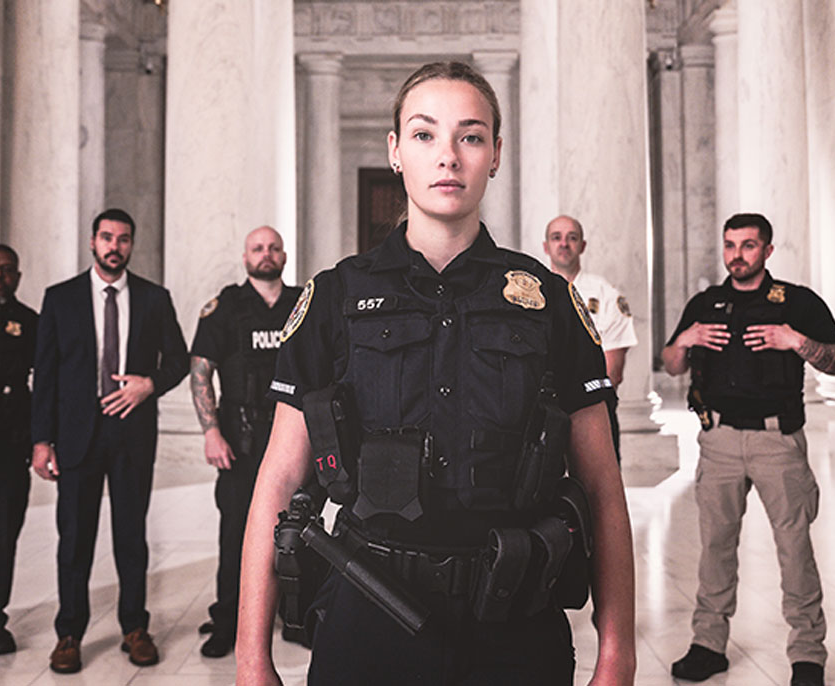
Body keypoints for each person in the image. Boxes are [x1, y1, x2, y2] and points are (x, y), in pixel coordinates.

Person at [236, 62, 635, 686]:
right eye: (424, 135)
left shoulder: (550, 303)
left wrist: (617, 652)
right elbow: (279, 480)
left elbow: (602, 487)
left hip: (514, 619)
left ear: (495, 154)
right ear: (395, 151)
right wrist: (251, 657)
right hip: (368, 615)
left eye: (470, 136)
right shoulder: (335, 297)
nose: (448, 155)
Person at [662, 213, 835, 686]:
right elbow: (671, 364)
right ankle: (708, 645)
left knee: (794, 550)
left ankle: (807, 654)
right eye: (730, 245)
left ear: (767, 250)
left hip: (777, 441)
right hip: (719, 441)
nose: (737, 255)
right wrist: (684, 340)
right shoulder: (706, 303)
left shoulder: (797, 302)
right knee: (715, 549)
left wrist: (796, 340)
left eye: (748, 246)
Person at [31, 208, 189, 674]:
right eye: (106, 237)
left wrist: (149, 384)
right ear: (92, 242)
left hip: (132, 436)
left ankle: (135, 628)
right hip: (75, 437)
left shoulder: (154, 298)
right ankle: (69, 634)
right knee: (74, 539)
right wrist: (41, 441)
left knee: (131, 537)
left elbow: (178, 360)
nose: (114, 246)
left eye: (122, 239)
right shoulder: (59, 299)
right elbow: (45, 376)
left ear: (131, 244)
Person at [190, 226, 301, 658]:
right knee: (235, 531)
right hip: (240, 438)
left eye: (273, 248)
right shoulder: (226, 307)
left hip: (292, 438)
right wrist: (211, 431)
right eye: (258, 248)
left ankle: (294, 616)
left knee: (297, 530)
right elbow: (201, 370)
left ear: (284, 256)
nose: (266, 254)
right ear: (245, 257)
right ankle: (228, 623)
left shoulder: (301, 303)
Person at [0, 245, 38, 656]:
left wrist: (41, 440)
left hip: (4, 451)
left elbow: (46, 385)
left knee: (1, 539)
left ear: (17, 277)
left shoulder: (30, 323)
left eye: (6, 270)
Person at [543, 215, 637, 461]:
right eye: (556, 238)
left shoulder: (607, 296)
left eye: (572, 238)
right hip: (542, 417)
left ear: (583, 246)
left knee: (599, 485)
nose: (564, 244)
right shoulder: (533, 294)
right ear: (546, 246)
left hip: (594, 413)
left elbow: (612, 372)